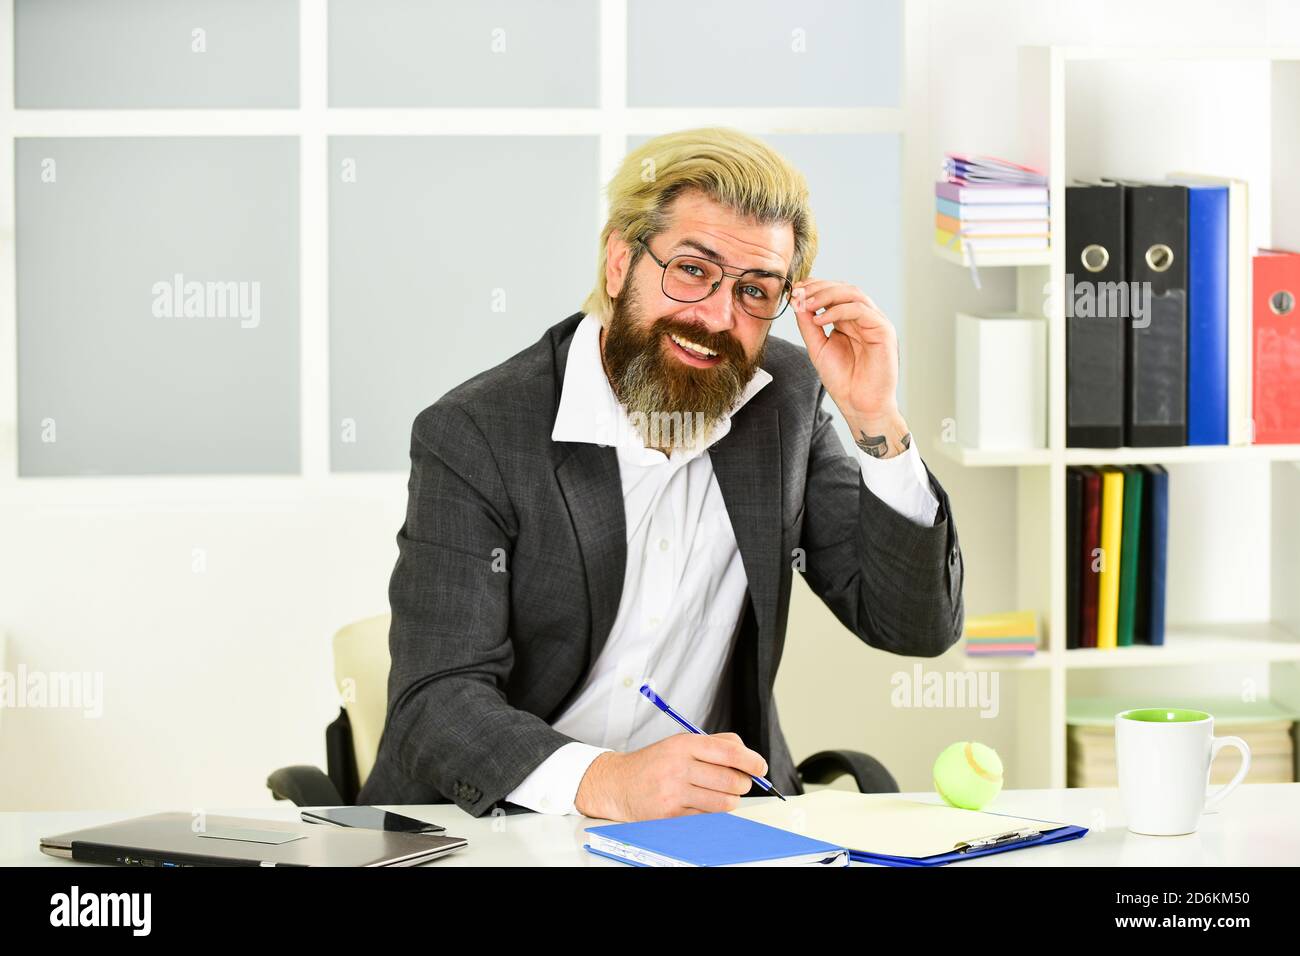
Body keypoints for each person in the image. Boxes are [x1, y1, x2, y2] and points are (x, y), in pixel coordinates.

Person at [358, 127, 964, 821]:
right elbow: (436, 701)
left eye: (756, 290)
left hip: (699, 832)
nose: (716, 317)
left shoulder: (784, 401)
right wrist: (609, 782)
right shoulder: (477, 435)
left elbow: (913, 626)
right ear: (620, 262)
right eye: (693, 270)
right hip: (496, 825)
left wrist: (876, 418)